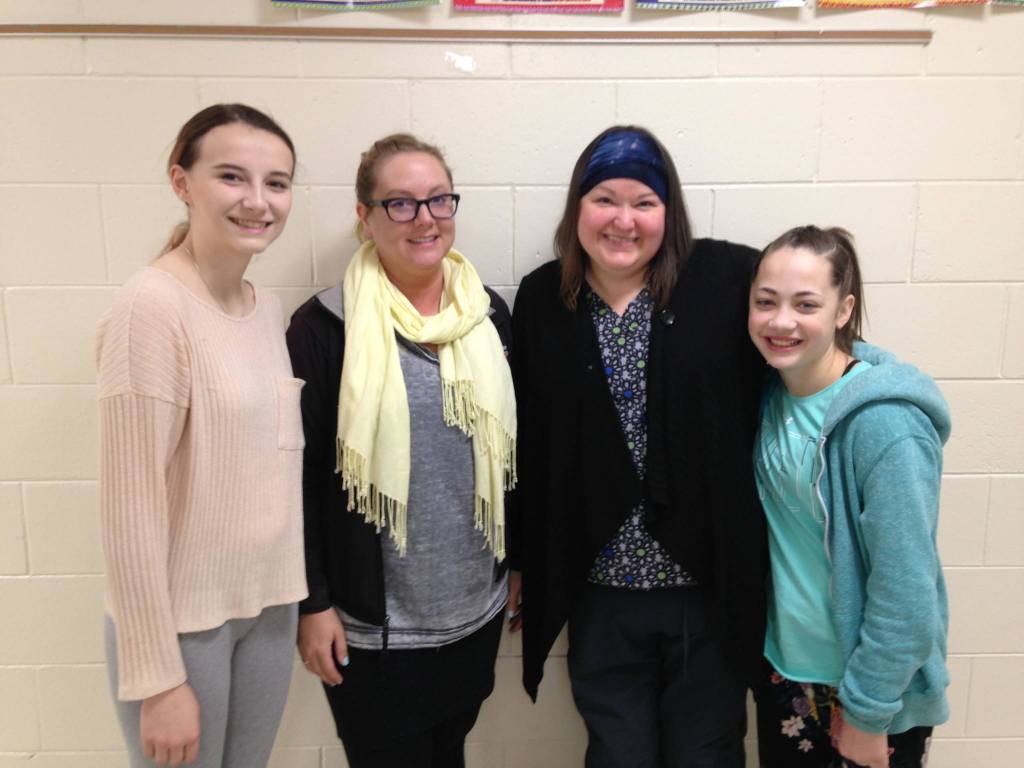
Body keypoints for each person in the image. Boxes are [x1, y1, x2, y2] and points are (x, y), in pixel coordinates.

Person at [509, 125, 767, 767]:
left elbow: (805, 339)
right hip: (600, 589)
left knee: (705, 752)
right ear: (577, 209)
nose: (623, 220)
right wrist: (521, 559)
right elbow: (526, 443)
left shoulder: (727, 278)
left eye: (644, 203)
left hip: (704, 588)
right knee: (618, 752)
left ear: (668, 212)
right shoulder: (545, 297)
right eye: (604, 199)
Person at [285, 133, 517, 768]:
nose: (425, 219)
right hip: (373, 630)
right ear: (364, 217)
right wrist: (312, 602)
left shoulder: (486, 313)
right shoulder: (324, 327)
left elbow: (510, 458)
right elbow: (299, 479)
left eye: (439, 200)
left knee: (450, 755)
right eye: (401, 203)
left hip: (474, 611)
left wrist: (516, 563)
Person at [96, 103, 306, 768]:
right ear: (181, 183)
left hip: (270, 610)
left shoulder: (265, 308)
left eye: (276, 182)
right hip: (184, 625)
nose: (257, 201)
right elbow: (129, 508)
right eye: (231, 177)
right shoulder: (151, 306)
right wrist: (157, 679)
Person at [748, 225, 950, 768]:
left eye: (805, 304)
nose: (781, 321)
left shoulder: (886, 425)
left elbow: (906, 589)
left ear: (844, 310)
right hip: (787, 671)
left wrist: (867, 711)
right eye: (765, 302)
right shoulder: (770, 395)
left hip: (868, 692)